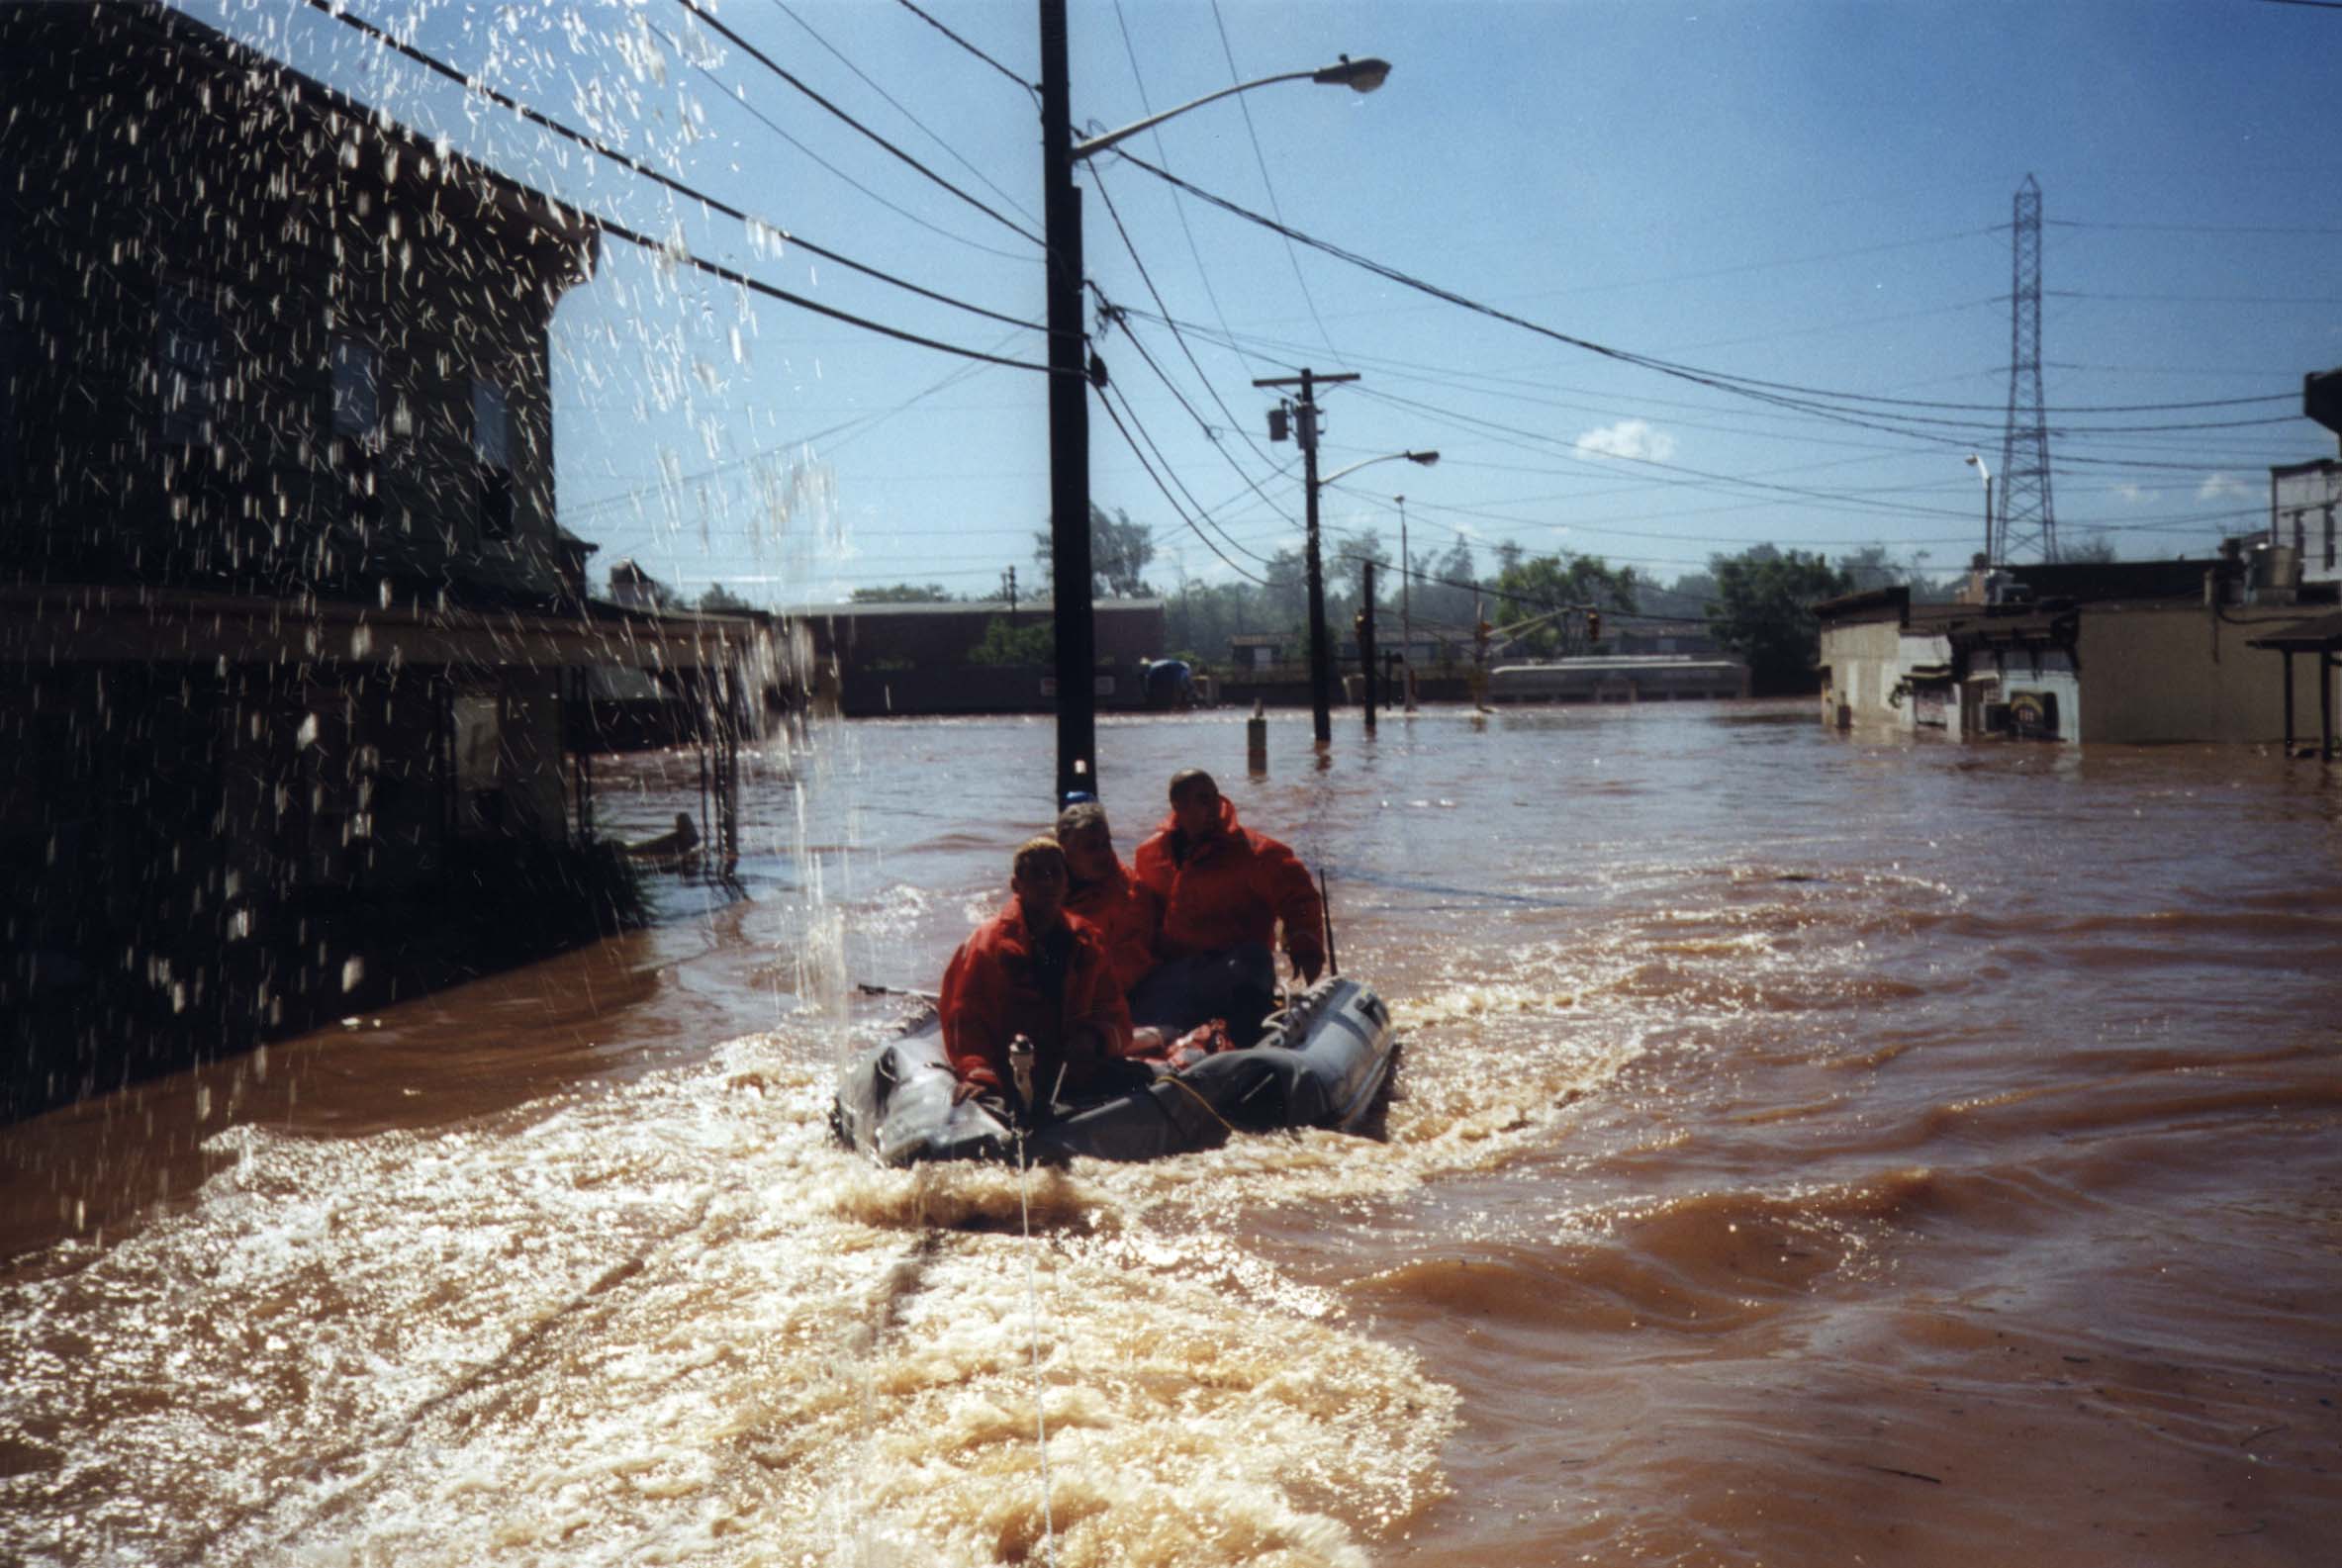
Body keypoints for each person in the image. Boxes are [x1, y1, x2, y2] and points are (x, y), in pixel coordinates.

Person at [938, 836, 1143, 1117]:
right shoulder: (987, 944)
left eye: (1054, 874)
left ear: (1066, 882)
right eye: (1036, 875)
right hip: (1008, 1075)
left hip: (1069, 1074)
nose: (1047, 883)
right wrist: (977, 1073)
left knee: (1143, 1080)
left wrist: (1094, 1038)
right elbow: (966, 1020)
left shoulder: (1087, 940)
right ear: (1016, 886)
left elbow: (1115, 1014)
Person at [1130, 770, 1325, 1042]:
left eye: (1214, 797)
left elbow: (1299, 897)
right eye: (1202, 799)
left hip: (1236, 969)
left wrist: (1306, 947)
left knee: (1252, 959)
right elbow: (1139, 919)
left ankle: (1249, 1043)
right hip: (1181, 973)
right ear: (1178, 807)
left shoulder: (1255, 852)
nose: (1214, 806)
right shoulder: (1149, 855)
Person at [1055, 799, 1161, 999]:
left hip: (1128, 991)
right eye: (1091, 847)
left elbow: (1134, 962)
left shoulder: (1129, 890)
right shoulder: (1044, 887)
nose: (1103, 853)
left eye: (1106, 843)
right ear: (1065, 849)